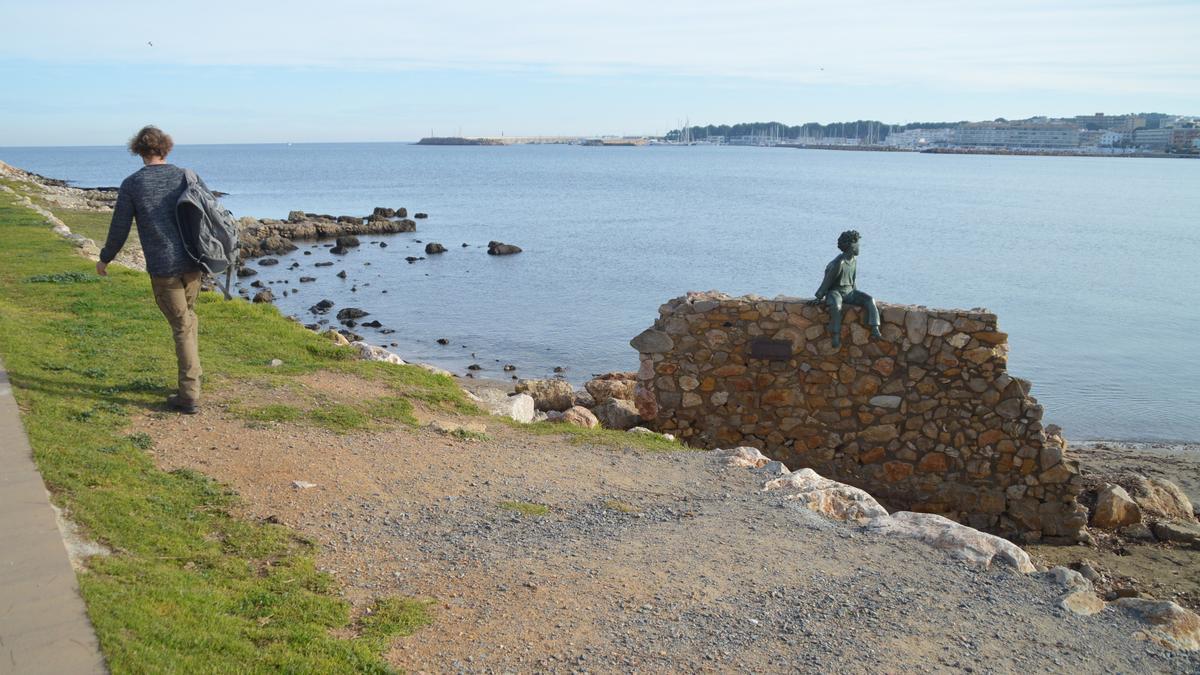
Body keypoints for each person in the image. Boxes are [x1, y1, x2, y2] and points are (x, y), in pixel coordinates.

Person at [97, 126, 206, 414]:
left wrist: (105, 258)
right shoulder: (186, 176)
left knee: (182, 326)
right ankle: (190, 383)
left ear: (138, 150)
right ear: (166, 148)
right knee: (187, 320)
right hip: (194, 263)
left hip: (164, 268)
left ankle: (189, 395)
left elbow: (119, 228)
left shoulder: (133, 184)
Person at [810, 229, 882, 349]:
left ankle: (875, 328)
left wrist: (857, 294)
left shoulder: (854, 261)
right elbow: (827, 281)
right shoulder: (839, 263)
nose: (859, 246)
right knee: (836, 307)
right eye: (857, 244)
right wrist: (819, 296)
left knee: (870, 300)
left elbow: (853, 280)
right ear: (851, 246)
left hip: (849, 292)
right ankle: (835, 334)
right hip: (836, 292)